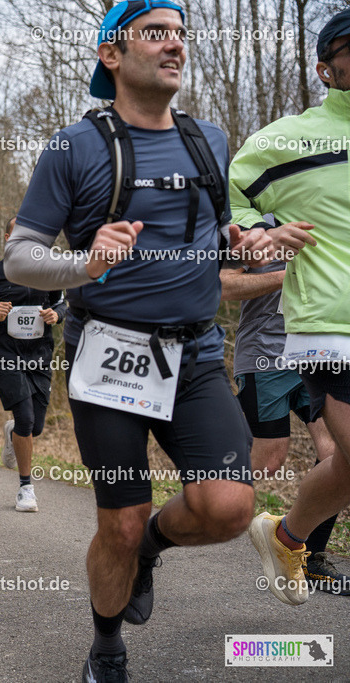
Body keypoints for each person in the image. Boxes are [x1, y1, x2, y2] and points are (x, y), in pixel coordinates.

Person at [2, 2, 273, 678]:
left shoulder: (209, 138)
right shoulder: (75, 146)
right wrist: (85, 264)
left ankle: (152, 545)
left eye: (181, 34)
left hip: (196, 355)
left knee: (230, 506)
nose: (175, 45)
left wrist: (240, 243)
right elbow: (19, 258)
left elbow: (208, 245)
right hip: (110, 358)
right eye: (156, 33)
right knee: (117, 522)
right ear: (112, 56)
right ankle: (105, 645)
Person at [234, 7, 350, 606]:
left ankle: (287, 536)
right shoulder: (288, 139)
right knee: (296, 453)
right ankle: (243, 518)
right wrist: (261, 229)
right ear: (326, 67)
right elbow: (231, 196)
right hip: (328, 326)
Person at [221, 260, 350, 595]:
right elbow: (225, 285)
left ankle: (309, 557)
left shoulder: (333, 225)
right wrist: (289, 276)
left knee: (336, 453)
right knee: (269, 459)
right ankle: (204, 501)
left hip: (318, 355)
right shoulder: (258, 225)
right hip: (265, 359)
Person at [0, 217, 65, 512]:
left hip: (40, 356)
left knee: (34, 427)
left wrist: (57, 315)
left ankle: (13, 431)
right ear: (7, 238)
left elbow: (63, 304)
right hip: (7, 356)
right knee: (26, 419)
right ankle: (26, 488)